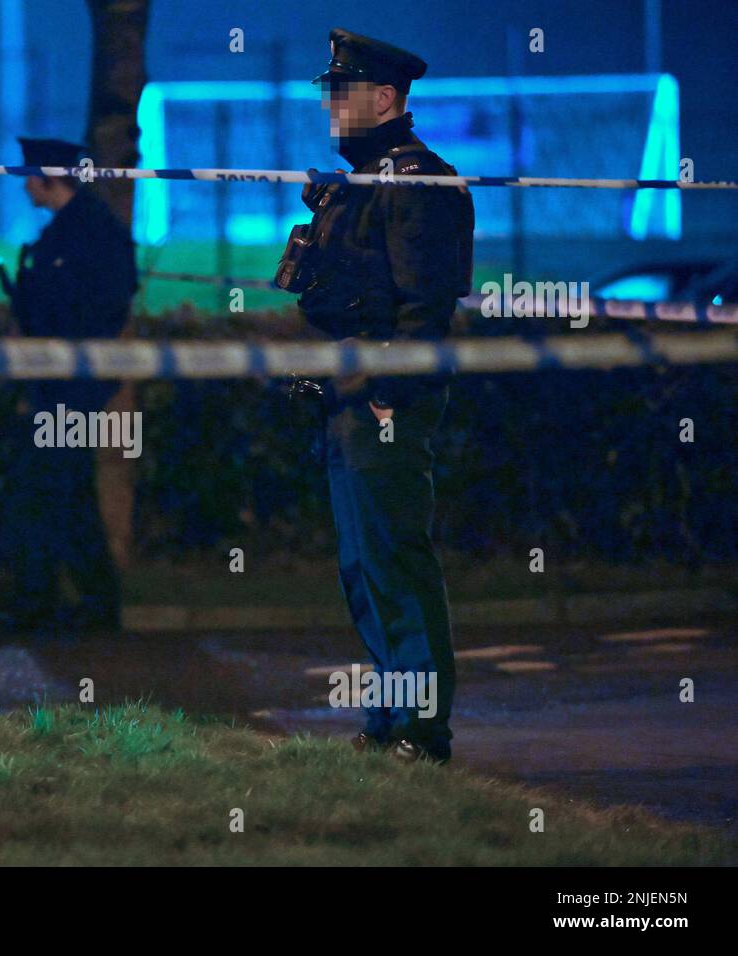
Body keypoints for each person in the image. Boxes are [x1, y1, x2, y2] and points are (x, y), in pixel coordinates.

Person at [277, 30, 475, 762]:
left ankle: (423, 730)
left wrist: (387, 394)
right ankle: (391, 716)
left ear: (385, 98)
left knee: (395, 559)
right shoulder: (360, 181)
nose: (330, 104)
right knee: (362, 566)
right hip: (348, 393)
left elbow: (425, 307)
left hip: (382, 401)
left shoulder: (417, 181)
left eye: (343, 91)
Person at [0, 137, 137, 634]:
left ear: (51, 178)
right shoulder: (68, 232)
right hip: (59, 384)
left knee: (44, 488)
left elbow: (95, 309)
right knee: (62, 492)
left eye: (30, 175)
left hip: (73, 386)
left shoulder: (90, 234)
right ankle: (83, 604)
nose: (25, 184)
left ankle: (47, 603)